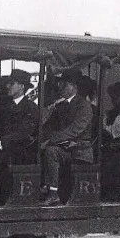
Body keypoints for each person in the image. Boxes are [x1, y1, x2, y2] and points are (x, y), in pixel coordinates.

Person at [0, 69, 38, 202]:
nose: (7, 86)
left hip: (21, 148)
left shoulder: (31, 108)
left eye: (11, 83)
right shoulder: (5, 105)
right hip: (3, 145)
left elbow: (23, 133)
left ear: (22, 87)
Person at [40, 70, 94, 206]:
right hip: (66, 147)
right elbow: (48, 125)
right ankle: (45, 186)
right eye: (60, 84)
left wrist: (50, 140)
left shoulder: (84, 106)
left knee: (51, 151)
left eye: (63, 84)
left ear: (73, 87)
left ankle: (53, 194)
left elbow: (75, 130)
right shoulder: (61, 106)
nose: (60, 87)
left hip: (80, 150)